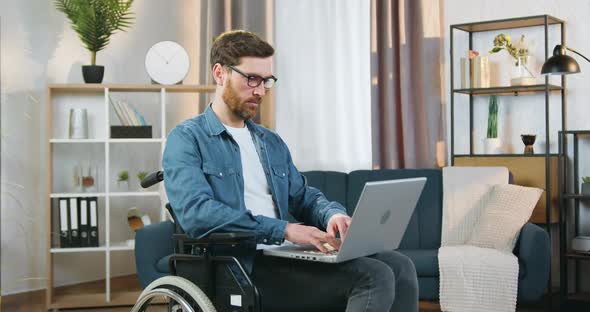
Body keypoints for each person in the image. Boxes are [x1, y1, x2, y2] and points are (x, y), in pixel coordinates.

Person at [163, 30, 418, 312]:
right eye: (252, 79)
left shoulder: (270, 142)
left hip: (284, 257)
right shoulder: (187, 138)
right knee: (374, 276)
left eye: (267, 81)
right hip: (242, 266)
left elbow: (303, 196)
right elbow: (197, 214)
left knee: (400, 265)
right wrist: (285, 230)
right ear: (220, 73)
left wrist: (332, 214)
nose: (260, 91)